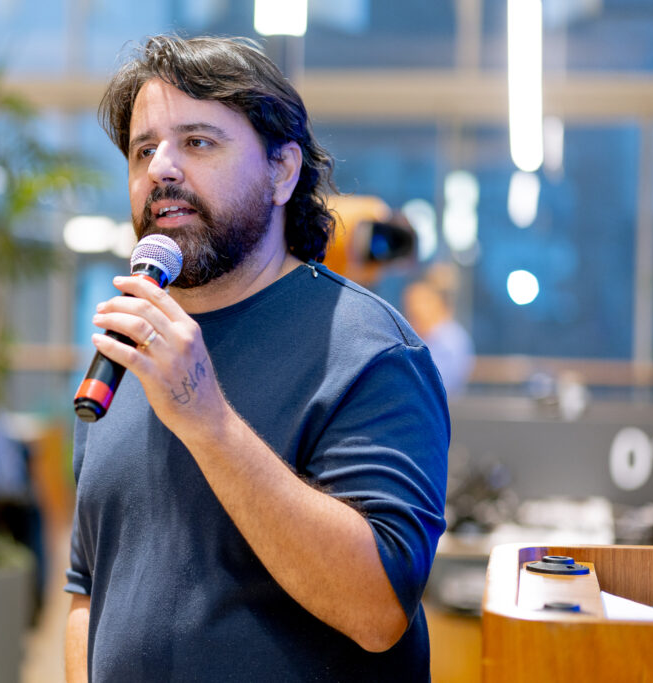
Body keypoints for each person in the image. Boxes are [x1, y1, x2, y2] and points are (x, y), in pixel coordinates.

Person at [64, 35, 448, 682]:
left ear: (281, 172)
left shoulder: (368, 348)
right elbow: (87, 588)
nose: (161, 168)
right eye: (143, 149)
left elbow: (379, 610)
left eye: (198, 142)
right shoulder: (126, 349)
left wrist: (207, 420)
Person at [403, 262, 475, 396]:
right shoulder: (421, 337)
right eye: (410, 305)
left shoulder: (450, 339)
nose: (414, 309)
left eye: (420, 302)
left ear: (436, 302)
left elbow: (436, 385)